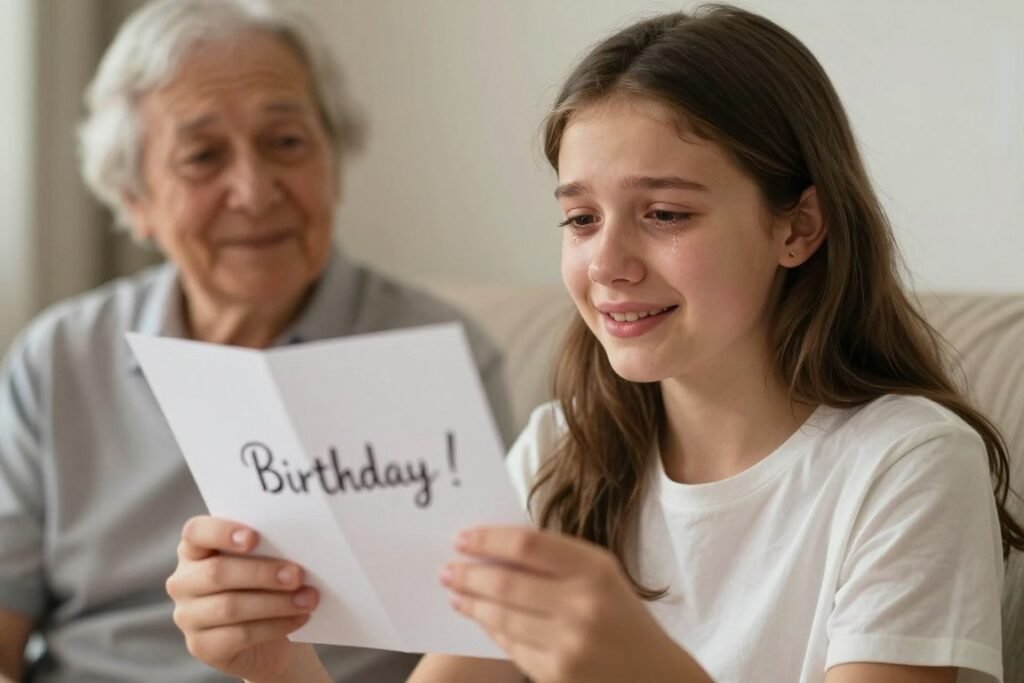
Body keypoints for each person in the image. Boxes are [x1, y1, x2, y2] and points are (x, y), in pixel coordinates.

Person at [166, 5, 1023, 683]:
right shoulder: (560, 451)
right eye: (580, 218)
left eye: (665, 214)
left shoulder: (906, 463)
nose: (606, 263)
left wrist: (640, 669)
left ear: (798, 226)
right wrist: (279, 666)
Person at [0, 0, 514, 681]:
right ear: (135, 200)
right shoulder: (59, 358)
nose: (254, 189)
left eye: (287, 142)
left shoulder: (440, 357)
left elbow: (491, 634)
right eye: (203, 156)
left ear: (332, 157)